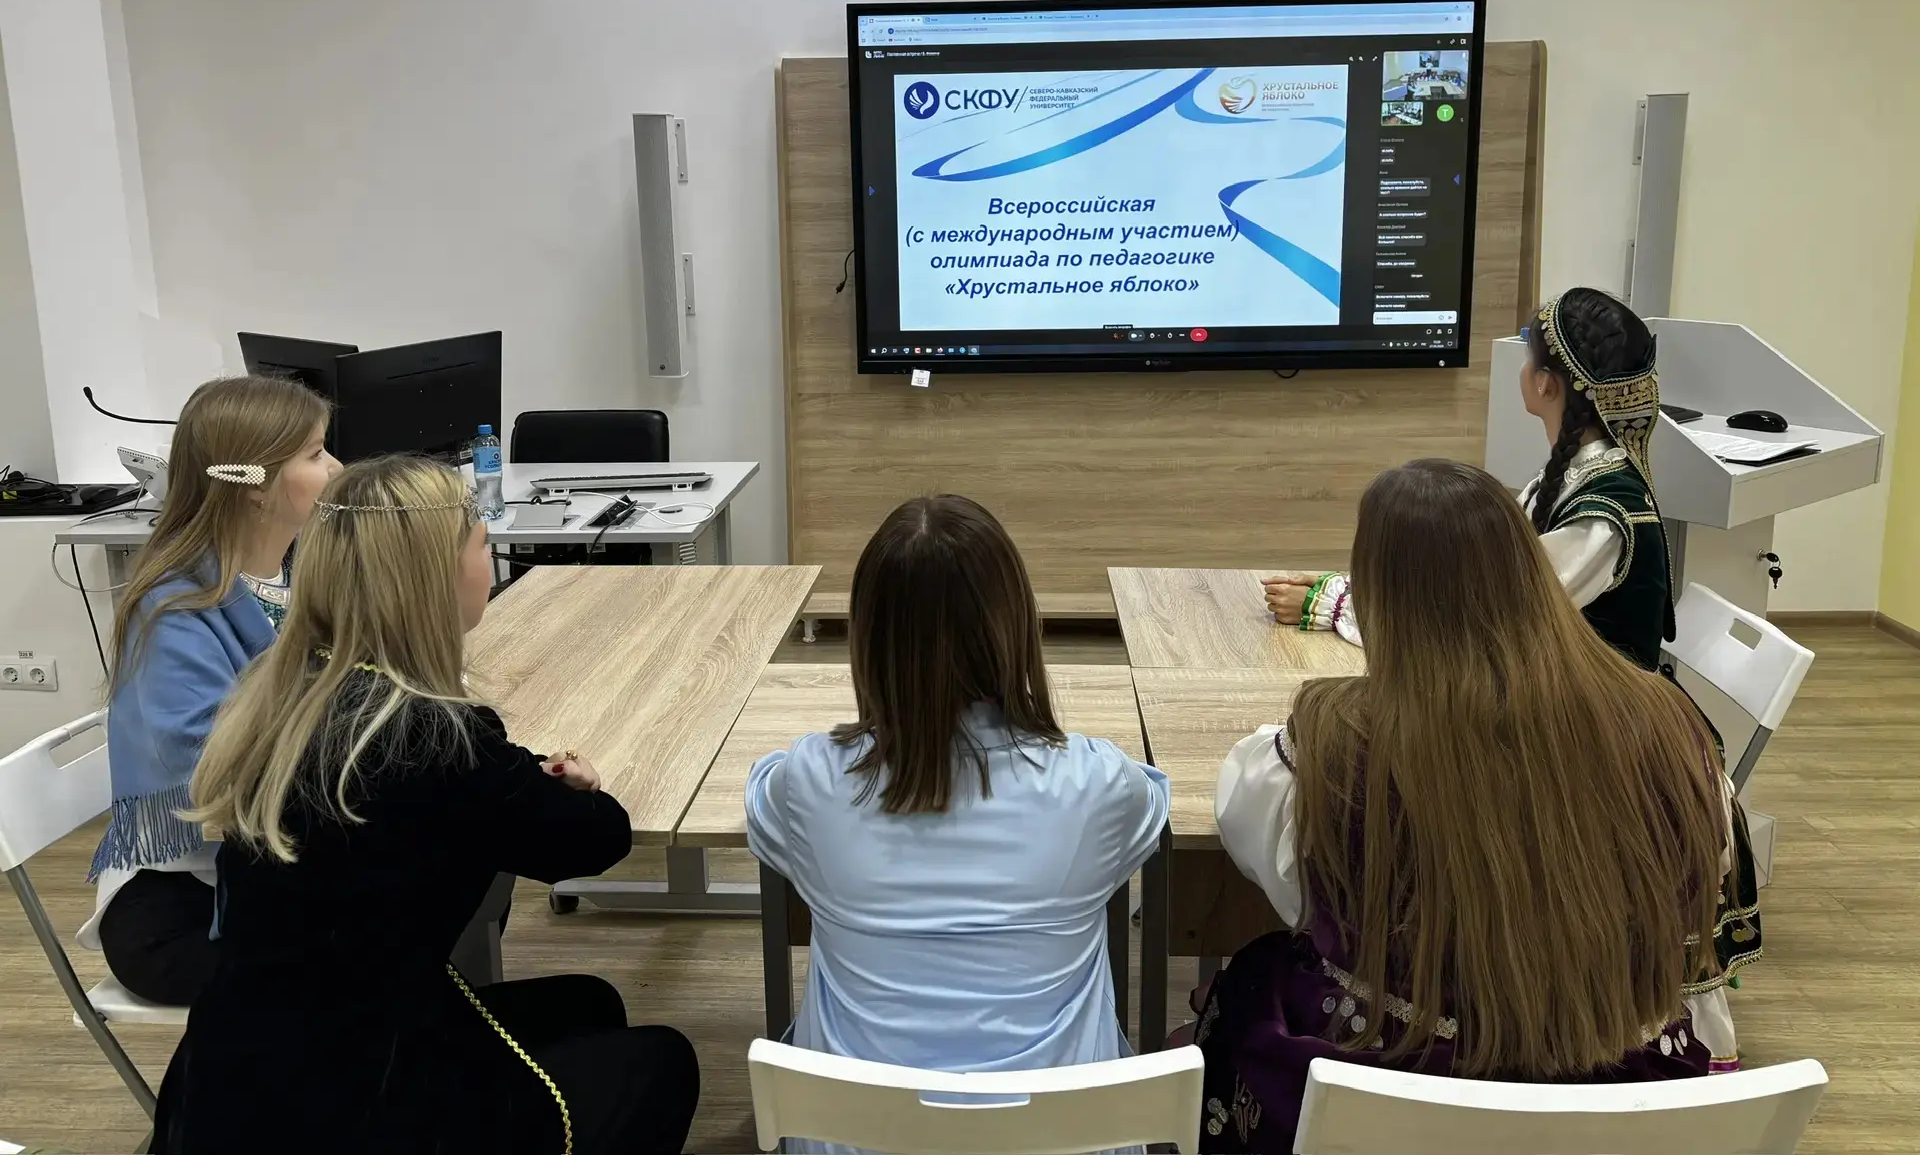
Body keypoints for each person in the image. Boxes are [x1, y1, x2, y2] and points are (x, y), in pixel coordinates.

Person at [150, 456, 698, 1155]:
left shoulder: (286, 693)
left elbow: (467, 795)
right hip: (355, 1108)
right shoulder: (434, 736)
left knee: (592, 1003)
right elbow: (597, 841)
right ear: (436, 576)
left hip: (231, 1078)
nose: (490, 562)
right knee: (663, 1062)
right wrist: (583, 787)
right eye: (481, 544)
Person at [1197, 460, 1733, 1150]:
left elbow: (1277, 872)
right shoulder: (1669, 727)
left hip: (1388, 1099)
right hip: (1617, 1103)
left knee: (1253, 984)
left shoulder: (1327, 747)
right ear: (1530, 569)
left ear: (1378, 596)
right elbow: (1702, 874)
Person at [746, 496, 1168, 1098]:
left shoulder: (810, 781)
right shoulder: (1095, 783)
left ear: (867, 638)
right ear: (1018, 624)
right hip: (1063, 1135)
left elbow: (762, 797)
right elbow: (1150, 805)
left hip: (855, 1134)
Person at [81, 374, 337, 1006]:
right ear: (253, 485)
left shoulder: (292, 574)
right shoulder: (174, 608)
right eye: (315, 453)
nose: (336, 467)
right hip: (181, 910)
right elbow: (216, 768)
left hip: (264, 863)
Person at [1266, 287, 1674, 670]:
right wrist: (1358, 589)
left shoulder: (1602, 516)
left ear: (1545, 383)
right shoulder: (1574, 475)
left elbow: (1490, 621)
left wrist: (1338, 607)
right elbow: (1480, 578)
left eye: (1528, 355)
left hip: (1596, 714)